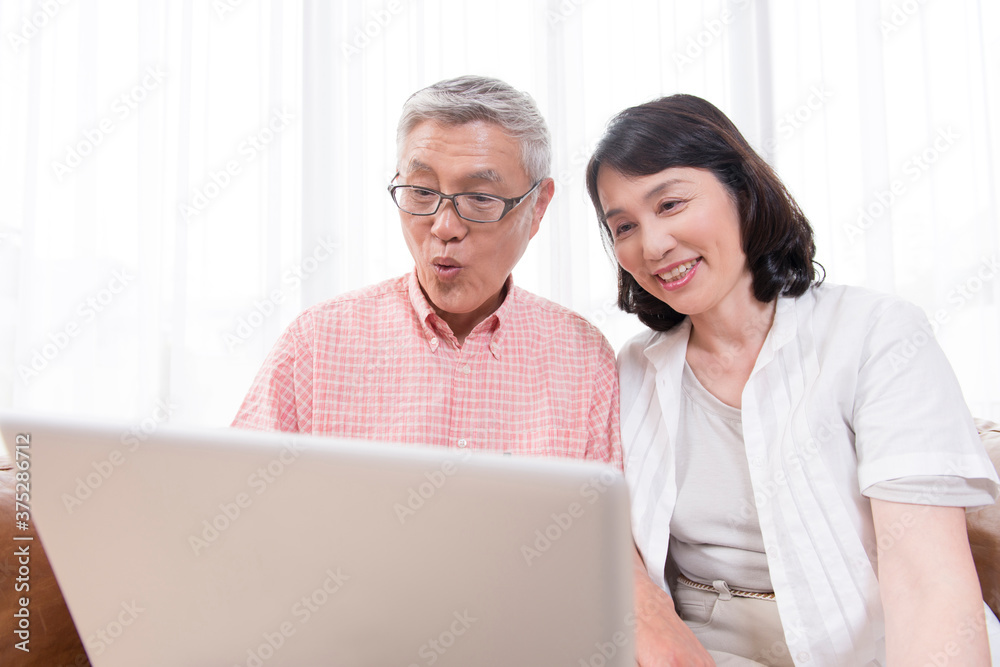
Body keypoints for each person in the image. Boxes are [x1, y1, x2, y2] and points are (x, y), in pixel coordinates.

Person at [585, 94, 1000, 666]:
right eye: (624, 226)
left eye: (672, 204)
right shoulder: (633, 366)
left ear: (743, 191)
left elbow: (929, 584)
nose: (652, 245)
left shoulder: (875, 333)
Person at [233, 75, 620, 470]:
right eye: (421, 192)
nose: (444, 227)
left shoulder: (584, 360)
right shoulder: (316, 345)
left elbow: (606, 510)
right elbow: (233, 494)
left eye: (479, 197)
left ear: (537, 206)